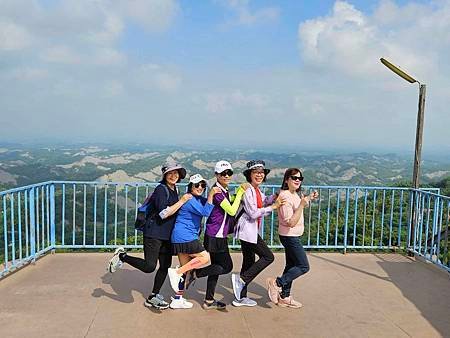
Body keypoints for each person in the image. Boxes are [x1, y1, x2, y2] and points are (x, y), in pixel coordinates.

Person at [107, 160, 191, 310]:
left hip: (167, 236)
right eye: (170, 173)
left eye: (176, 173)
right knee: (150, 266)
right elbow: (163, 213)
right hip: (154, 233)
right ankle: (122, 256)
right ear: (165, 175)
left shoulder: (174, 189)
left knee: (165, 266)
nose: (173, 176)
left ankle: (153, 296)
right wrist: (182, 201)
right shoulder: (161, 189)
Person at [231, 160, 285, 307]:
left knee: (248, 262)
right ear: (250, 175)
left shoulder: (256, 190)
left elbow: (263, 201)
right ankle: (242, 280)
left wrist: (274, 196)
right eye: (256, 172)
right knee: (268, 256)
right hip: (247, 230)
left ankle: (240, 297)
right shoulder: (248, 190)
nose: (259, 175)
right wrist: (273, 207)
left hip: (249, 231)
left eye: (261, 172)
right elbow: (254, 213)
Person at [166, 174, 223, 309]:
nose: (200, 187)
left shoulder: (197, 198)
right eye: (196, 185)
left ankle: (178, 299)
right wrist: (210, 195)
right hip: (186, 236)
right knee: (205, 257)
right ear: (190, 186)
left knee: (186, 270)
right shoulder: (190, 200)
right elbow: (205, 212)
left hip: (180, 236)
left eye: (202, 185)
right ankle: (177, 272)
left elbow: (211, 206)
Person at [266, 168, 318, 308]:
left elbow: (297, 211)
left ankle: (285, 297)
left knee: (291, 266)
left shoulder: (294, 194)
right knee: (303, 266)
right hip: (289, 236)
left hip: (293, 236)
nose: (297, 180)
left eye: (300, 179)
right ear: (287, 179)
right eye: (294, 178)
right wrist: (302, 204)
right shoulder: (285, 197)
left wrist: (307, 199)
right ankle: (277, 283)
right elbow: (290, 222)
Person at [202, 160, 250, 308]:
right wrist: (241, 191)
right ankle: (195, 273)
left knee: (216, 267)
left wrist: (236, 195)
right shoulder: (217, 191)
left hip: (216, 234)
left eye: (229, 173)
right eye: (223, 173)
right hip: (216, 235)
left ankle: (209, 300)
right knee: (227, 266)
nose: (227, 175)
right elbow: (231, 210)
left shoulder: (223, 189)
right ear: (216, 175)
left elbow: (229, 204)